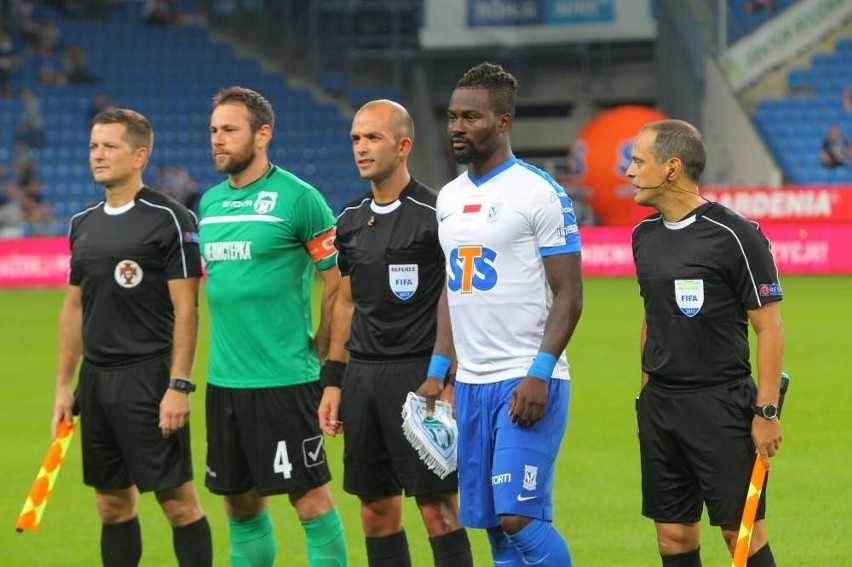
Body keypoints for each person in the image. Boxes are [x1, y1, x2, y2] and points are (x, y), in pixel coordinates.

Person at [420, 62, 583, 566]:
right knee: (493, 527)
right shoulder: (448, 198)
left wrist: (538, 373)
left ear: (503, 122)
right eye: (451, 117)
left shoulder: (538, 192)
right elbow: (453, 287)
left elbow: (570, 295)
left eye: (471, 117)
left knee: (520, 518)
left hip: (526, 380)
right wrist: (437, 370)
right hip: (470, 386)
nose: (457, 127)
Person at [51, 108, 212, 567]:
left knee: (178, 503)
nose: (97, 156)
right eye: (93, 147)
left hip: (149, 379)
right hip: (97, 383)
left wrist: (178, 386)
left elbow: (188, 309)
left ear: (139, 155)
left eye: (109, 146)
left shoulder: (170, 218)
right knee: (111, 504)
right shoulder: (82, 222)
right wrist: (65, 385)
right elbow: (74, 307)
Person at [317, 99, 473, 567]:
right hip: (363, 377)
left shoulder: (436, 214)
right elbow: (346, 301)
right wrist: (332, 380)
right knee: (376, 512)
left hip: (421, 377)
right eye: (355, 139)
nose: (361, 148)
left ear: (403, 145)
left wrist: (448, 379)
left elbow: (461, 303)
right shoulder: (348, 219)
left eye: (372, 138)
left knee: (439, 510)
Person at [198, 86, 348, 567]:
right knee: (238, 503)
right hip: (224, 382)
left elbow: (339, 288)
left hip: (285, 380)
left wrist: (326, 364)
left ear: (263, 134)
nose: (218, 140)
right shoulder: (210, 204)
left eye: (230, 130)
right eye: (214, 130)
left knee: (309, 501)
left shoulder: (300, 199)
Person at [628, 119, 785, 567]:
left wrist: (766, 412)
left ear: (672, 168)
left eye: (639, 161)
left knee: (742, 534)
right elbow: (651, 319)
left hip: (721, 404)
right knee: (673, 537)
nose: (629, 172)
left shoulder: (737, 235)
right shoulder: (643, 236)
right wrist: (645, 399)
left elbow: (770, 328)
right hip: (662, 405)